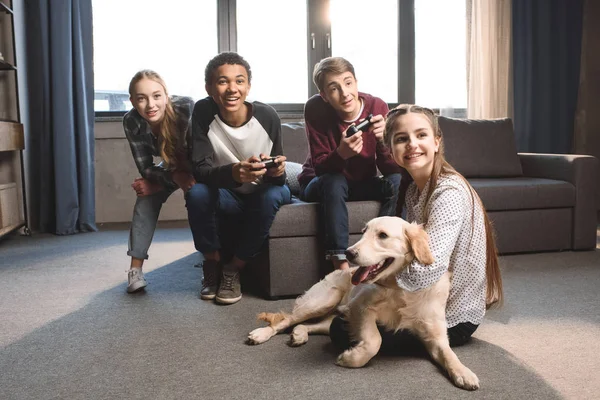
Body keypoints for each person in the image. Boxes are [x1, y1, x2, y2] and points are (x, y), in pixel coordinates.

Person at [330, 104, 504, 351]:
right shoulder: (413, 191)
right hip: (423, 300)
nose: (412, 144)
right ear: (390, 150)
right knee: (351, 313)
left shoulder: (449, 193)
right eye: (402, 139)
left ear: (436, 142)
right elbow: (408, 255)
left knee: (340, 329)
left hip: (451, 318)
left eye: (421, 135)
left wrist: (375, 278)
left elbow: (425, 271)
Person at [186, 52, 291, 305]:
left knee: (270, 196)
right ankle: (212, 263)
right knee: (196, 192)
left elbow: (278, 176)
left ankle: (233, 268)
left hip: (266, 188)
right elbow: (200, 169)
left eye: (240, 81)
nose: (232, 89)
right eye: (223, 81)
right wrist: (233, 172)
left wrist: (277, 172)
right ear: (209, 88)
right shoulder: (202, 111)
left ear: (248, 86)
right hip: (228, 192)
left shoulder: (268, 117)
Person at [297, 57, 404, 271]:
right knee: (335, 180)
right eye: (334, 88)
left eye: (348, 83)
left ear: (356, 82)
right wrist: (341, 154)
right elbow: (320, 167)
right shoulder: (315, 108)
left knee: (398, 180)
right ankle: (341, 266)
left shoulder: (377, 105)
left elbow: (389, 168)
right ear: (324, 96)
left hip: (362, 183)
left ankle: (387, 252)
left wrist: (384, 141)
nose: (345, 93)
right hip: (321, 183)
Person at [123, 70, 196, 293]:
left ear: (166, 95)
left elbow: (201, 157)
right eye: (141, 98)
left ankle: (212, 257)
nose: (150, 105)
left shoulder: (186, 109)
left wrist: (180, 179)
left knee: (196, 194)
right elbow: (145, 167)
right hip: (172, 166)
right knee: (146, 196)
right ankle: (135, 270)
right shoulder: (131, 121)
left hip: (197, 163)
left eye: (156, 96)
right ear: (132, 101)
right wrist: (170, 178)